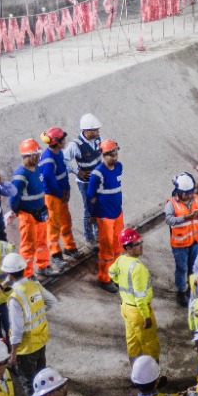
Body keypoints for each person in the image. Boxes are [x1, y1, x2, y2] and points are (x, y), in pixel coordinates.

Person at [9, 259, 56, 396]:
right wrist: (39, 312)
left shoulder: (15, 298)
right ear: (24, 270)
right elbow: (52, 302)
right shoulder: (35, 285)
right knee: (42, 378)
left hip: (26, 348)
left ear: (9, 274)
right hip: (41, 340)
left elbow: (17, 330)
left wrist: (13, 354)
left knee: (29, 383)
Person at [109, 228, 158, 361]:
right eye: (137, 244)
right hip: (138, 311)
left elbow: (111, 272)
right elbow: (140, 296)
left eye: (141, 242)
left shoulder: (121, 260)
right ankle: (153, 378)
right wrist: (146, 316)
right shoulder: (138, 268)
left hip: (126, 307)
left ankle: (136, 373)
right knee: (150, 344)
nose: (141, 246)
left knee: (133, 342)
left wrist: (120, 283)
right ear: (128, 247)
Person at [85, 140, 125, 292]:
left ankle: (116, 275)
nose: (114, 156)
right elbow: (91, 196)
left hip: (117, 213)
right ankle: (104, 278)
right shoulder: (97, 174)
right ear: (103, 155)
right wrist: (93, 214)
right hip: (105, 216)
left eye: (115, 152)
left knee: (118, 246)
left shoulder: (119, 167)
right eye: (111, 153)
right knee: (106, 248)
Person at [39, 128, 79, 264]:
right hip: (53, 196)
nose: (65, 141)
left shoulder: (59, 153)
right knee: (54, 224)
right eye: (62, 139)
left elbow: (63, 174)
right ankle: (55, 254)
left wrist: (67, 189)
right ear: (56, 142)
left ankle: (69, 247)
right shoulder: (48, 159)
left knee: (66, 221)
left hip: (61, 194)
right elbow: (49, 180)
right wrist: (60, 193)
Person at [164, 174, 198, 307]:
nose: (190, 195)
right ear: (180, 192)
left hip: (194, 241)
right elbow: (169, 220)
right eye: (187, 193)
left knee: (194, 266)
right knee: (182, 269)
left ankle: (190, 289)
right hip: (180, 245)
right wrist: (186, 217)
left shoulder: (196, 199)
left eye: (191, 193)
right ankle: (181, 291)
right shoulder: (171, 204)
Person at [13, 139, 53, 274]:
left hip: (40, 212)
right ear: (27, 156)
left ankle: (43, 266)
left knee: (42, 241)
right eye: (35, 155)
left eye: (38, 154)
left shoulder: (37, 169)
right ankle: (27, 273)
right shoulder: (20, 175)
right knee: (28, 246)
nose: (38, 157)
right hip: (28, 215)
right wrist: (18, 212)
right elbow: (14, 198)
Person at [71, 114, 105, 247]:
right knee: (89, 210)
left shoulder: (99, 139)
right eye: (96, 130)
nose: (98, 132)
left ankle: (98, 233)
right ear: (87, 131)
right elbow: (64, 160)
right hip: (85, 183)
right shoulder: (76, 145)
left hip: (97, 181)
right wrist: (76, 171)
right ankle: (89, 238)